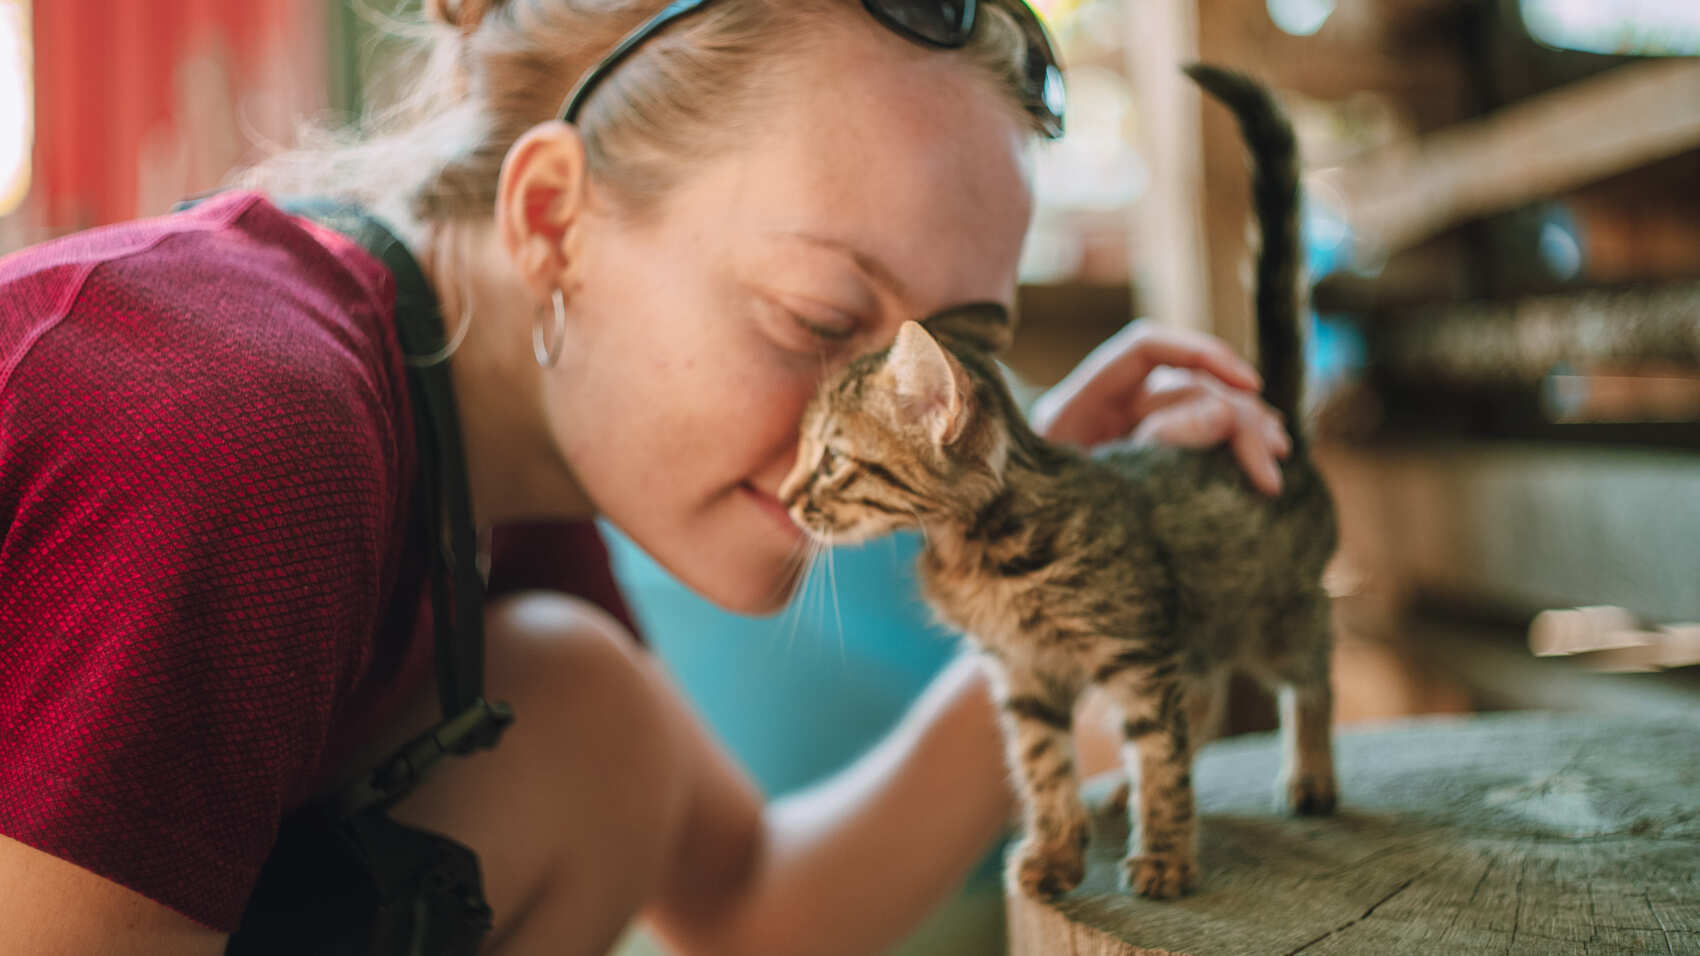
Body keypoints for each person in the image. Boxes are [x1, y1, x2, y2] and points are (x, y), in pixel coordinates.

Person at [0, 0, 1291, 952]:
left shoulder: (485, 458)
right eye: (818, 317)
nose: (902, 436)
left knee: (586, 719)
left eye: (945, 369)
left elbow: (749, 909)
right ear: (555, 216)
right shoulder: (240, 433)